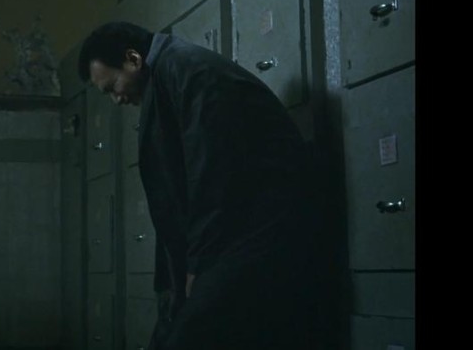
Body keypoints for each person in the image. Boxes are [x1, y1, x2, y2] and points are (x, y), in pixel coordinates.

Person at [78, 22, 320, 349]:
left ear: (133, 59)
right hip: (231, 236)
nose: (116, 99)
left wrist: (197, 265)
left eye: (112, 87)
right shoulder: (170, 74)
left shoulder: (189, 70)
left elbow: (211, 173)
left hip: (253, 232)